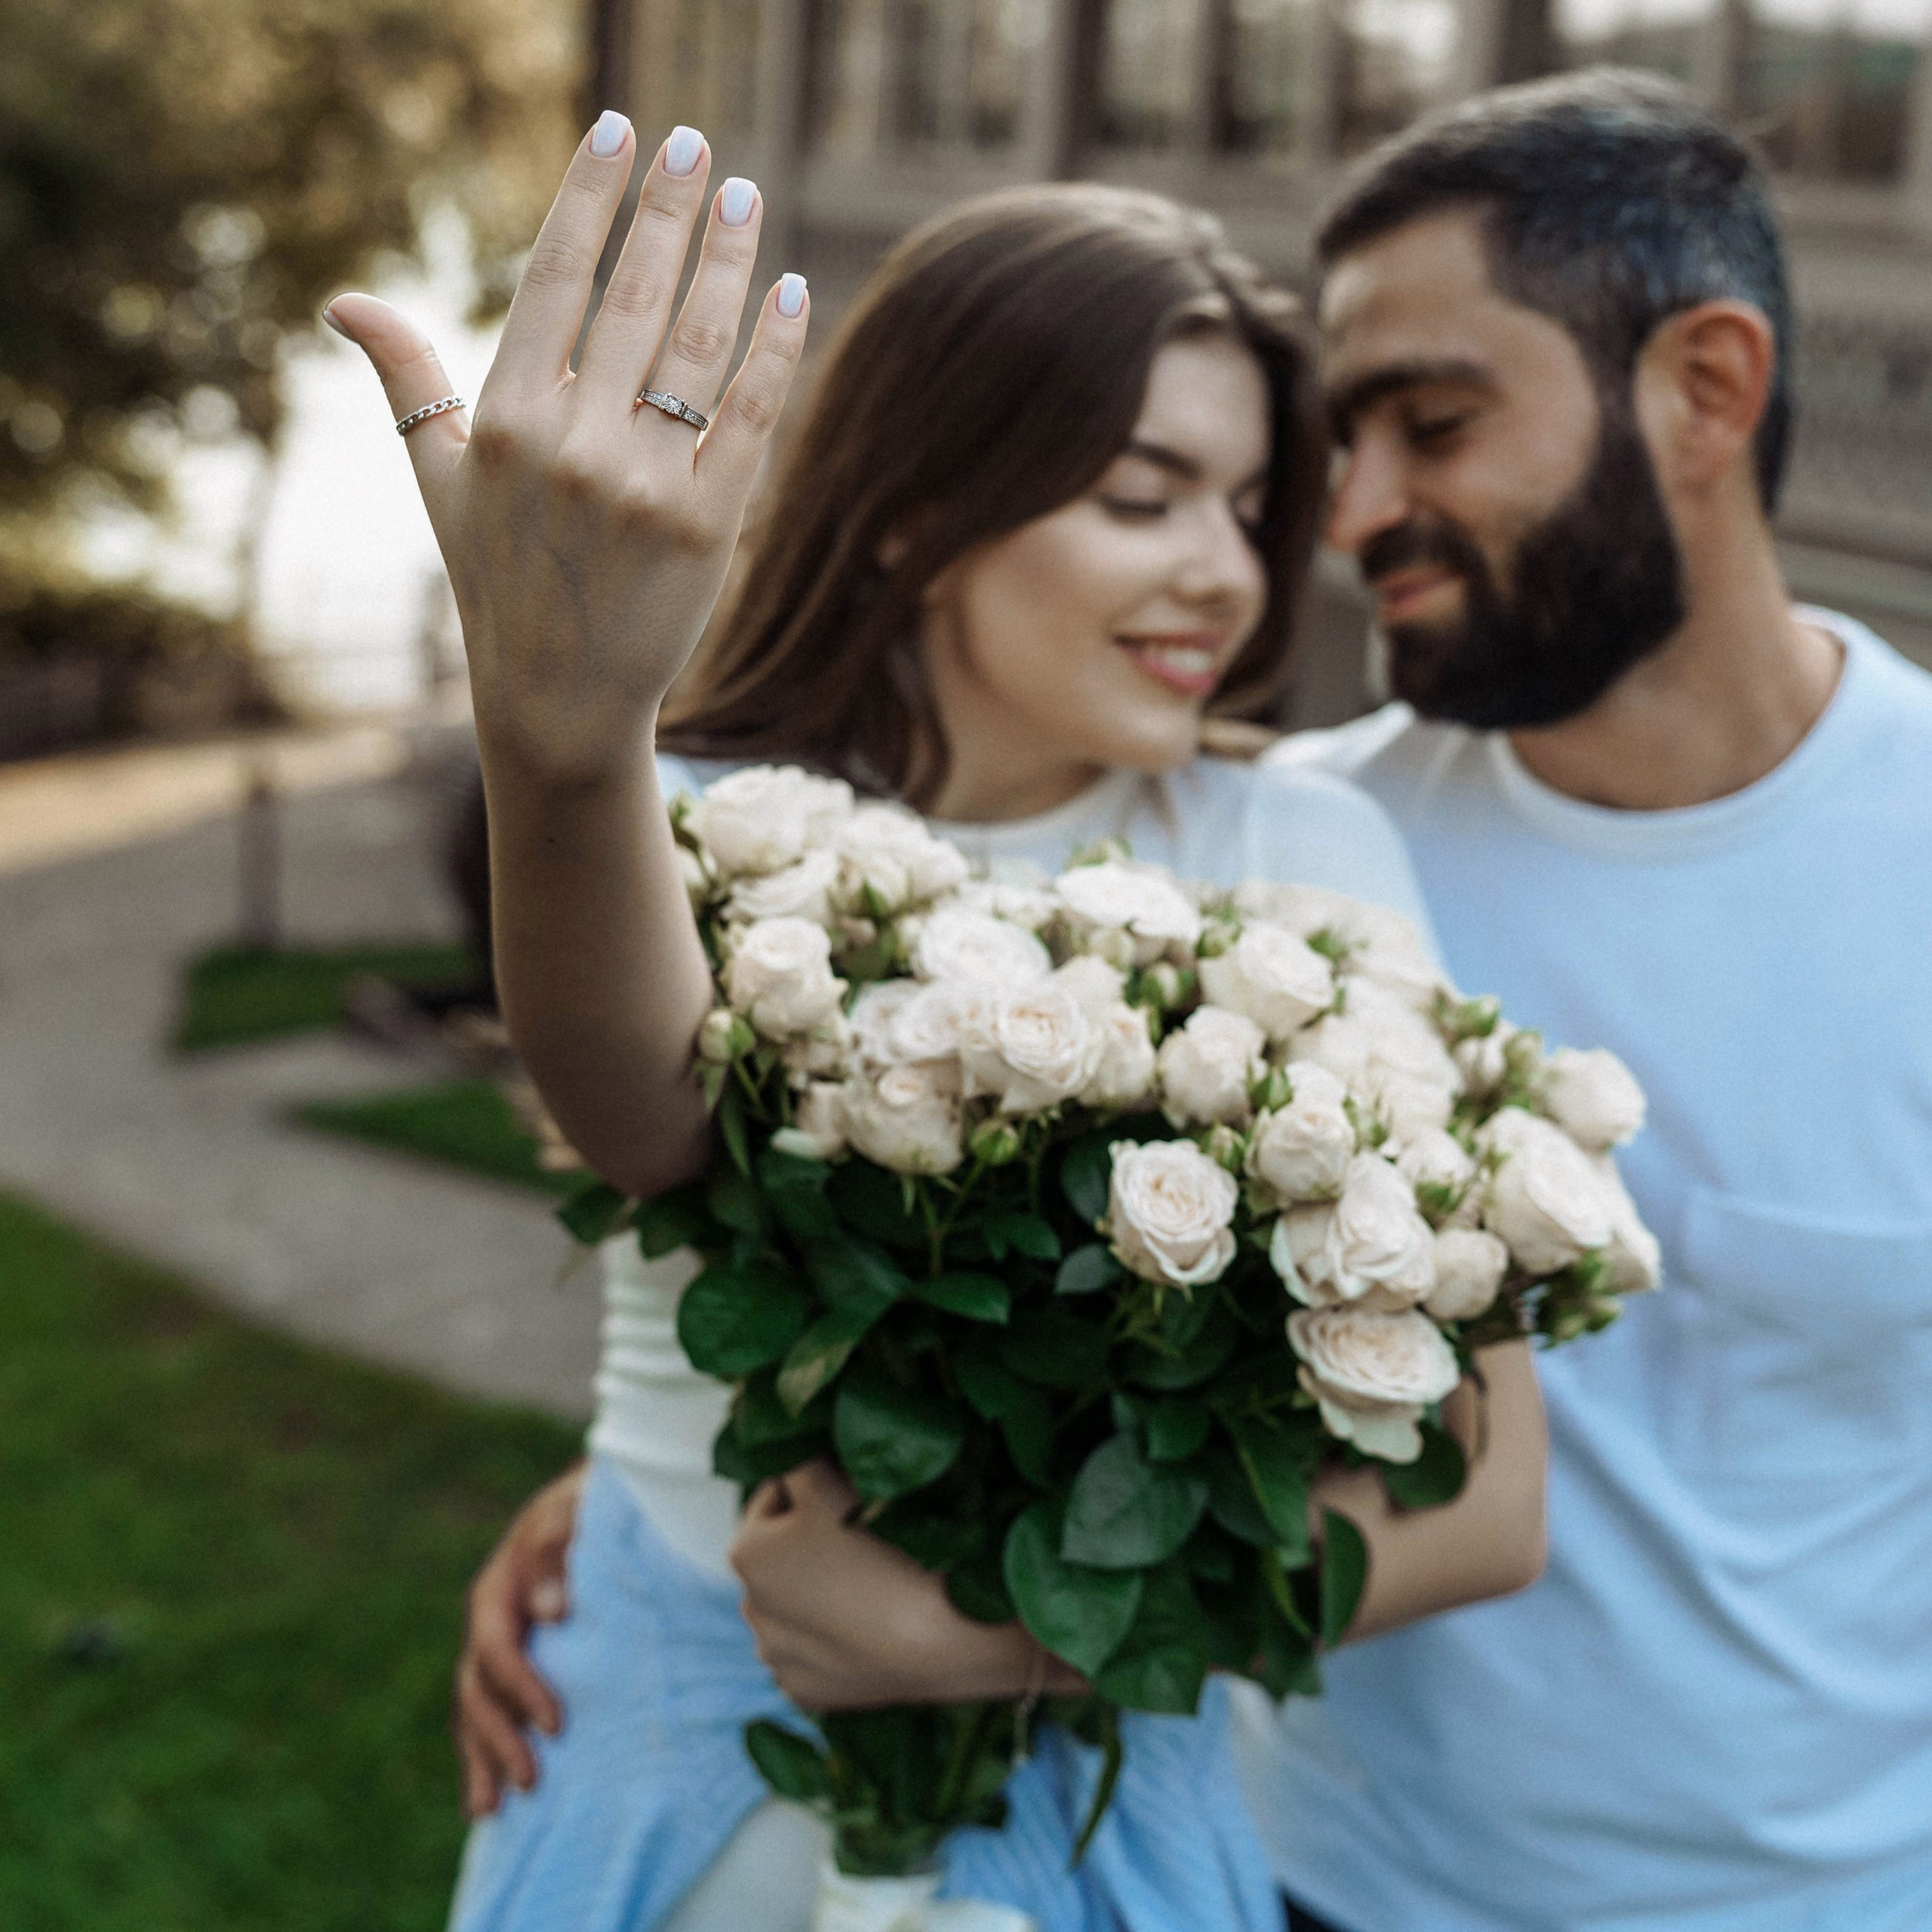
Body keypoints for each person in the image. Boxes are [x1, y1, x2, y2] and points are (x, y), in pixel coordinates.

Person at [327, 119, 1546, 1931]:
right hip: (660, 1777)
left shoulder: (1298, 850)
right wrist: (565, 734)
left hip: (1095, 1805)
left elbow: (1484, 1503)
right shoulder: (692, 818)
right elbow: (644, 1116)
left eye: (1241, 508)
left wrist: (999, 1636)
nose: (1223, 570)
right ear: (916, 500)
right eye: (1142, 496)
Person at [1236, 69, 1932, 1931]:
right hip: (1320, 1892)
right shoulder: (1284, 859)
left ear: (1703, 389)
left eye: (1431, 422)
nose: (1350, 512)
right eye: (1338, 442)